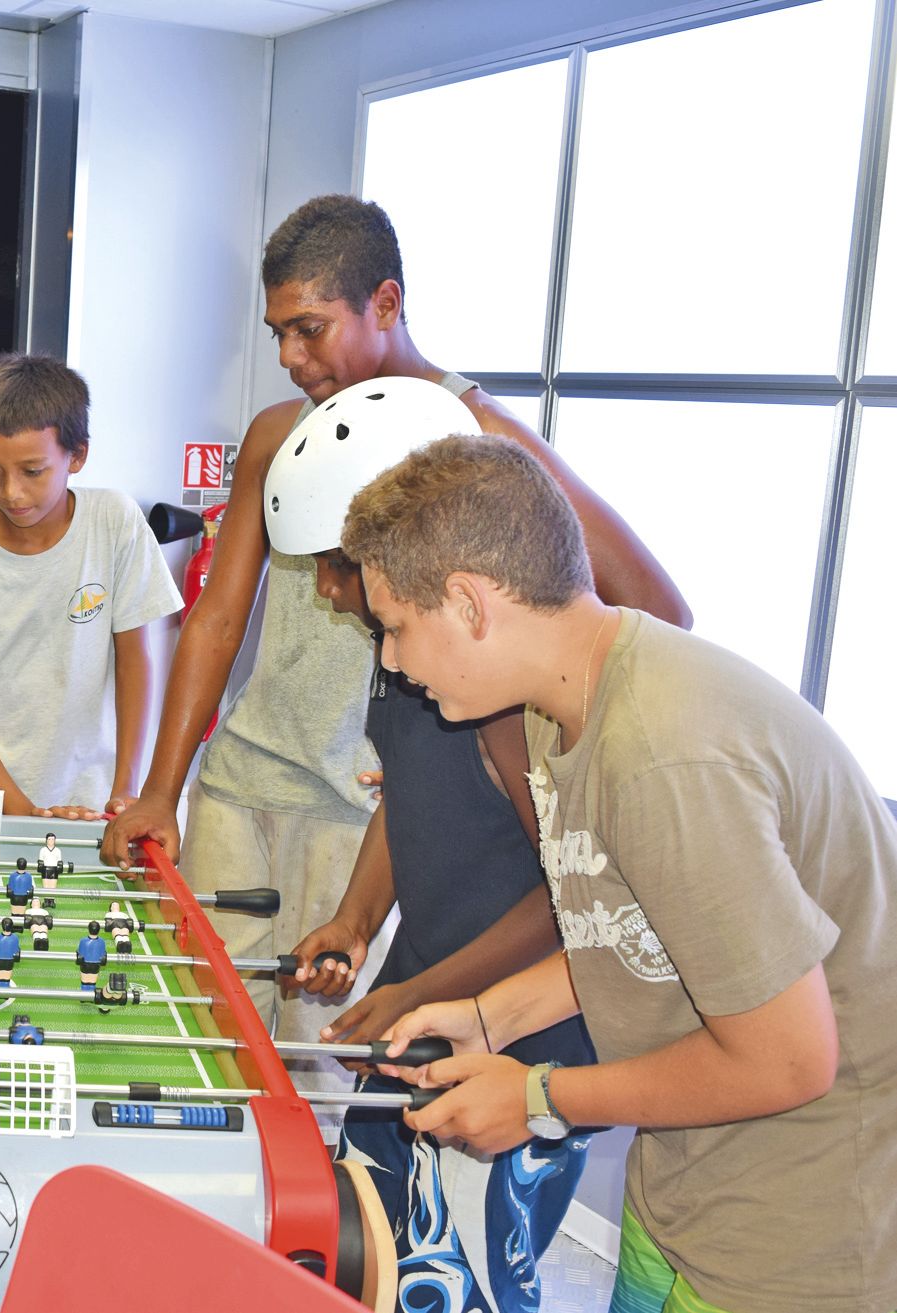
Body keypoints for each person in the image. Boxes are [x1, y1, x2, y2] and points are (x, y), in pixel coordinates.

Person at [102, 194, 688, 1050]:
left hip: (361, 809)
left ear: (384, 302)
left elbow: (652, 612)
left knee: (324, 1061)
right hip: (244, 778)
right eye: (276, 333)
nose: (290, 357)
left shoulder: (478, 441)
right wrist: (162, 787)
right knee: (205, 1040)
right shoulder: (278, 435)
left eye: (309, 328)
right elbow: (217, 618)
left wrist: (540, 774)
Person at [352, 436, 897, 1313]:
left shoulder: (664, 756)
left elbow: (790, 1060)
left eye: (394, 626)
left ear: (467, 603)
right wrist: (493, 1016)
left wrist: (537, 1097)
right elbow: (635, 931)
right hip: (689, 1186)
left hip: (801, 1235)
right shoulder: (556, 709)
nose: (389, 658)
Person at [266, 383, 595, 1312]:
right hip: (430, 986)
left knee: (468, 1277)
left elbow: (568, 896)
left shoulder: (489, 686)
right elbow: (407, 795)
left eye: (336, 567)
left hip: (518, 1030)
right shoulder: (407, 651)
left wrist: (420, 993)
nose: (328, 591)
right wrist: (356, 920)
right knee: (373, 1243)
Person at [0, 355, 181, 818]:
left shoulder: (115, 521)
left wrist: (126, 791)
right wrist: (23, 812)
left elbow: (135, 658)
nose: (10, 491)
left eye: (32, 471)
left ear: (77, 455)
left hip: (96, 797)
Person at [76, 923, 109, 991]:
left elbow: (79, 953)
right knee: (92, 982)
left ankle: (84, 997)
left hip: (85, 964)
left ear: (88, 929)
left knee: (84, 981)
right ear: (99, 930)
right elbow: (103, 954)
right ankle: (90, 996)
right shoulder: (102, 941)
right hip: (96, 965)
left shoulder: (83, 941)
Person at [0, 918, 22, 987]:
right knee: (6, 979)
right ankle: (5, 994)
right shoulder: (15, 938)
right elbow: (16, 950)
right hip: (9, 961)